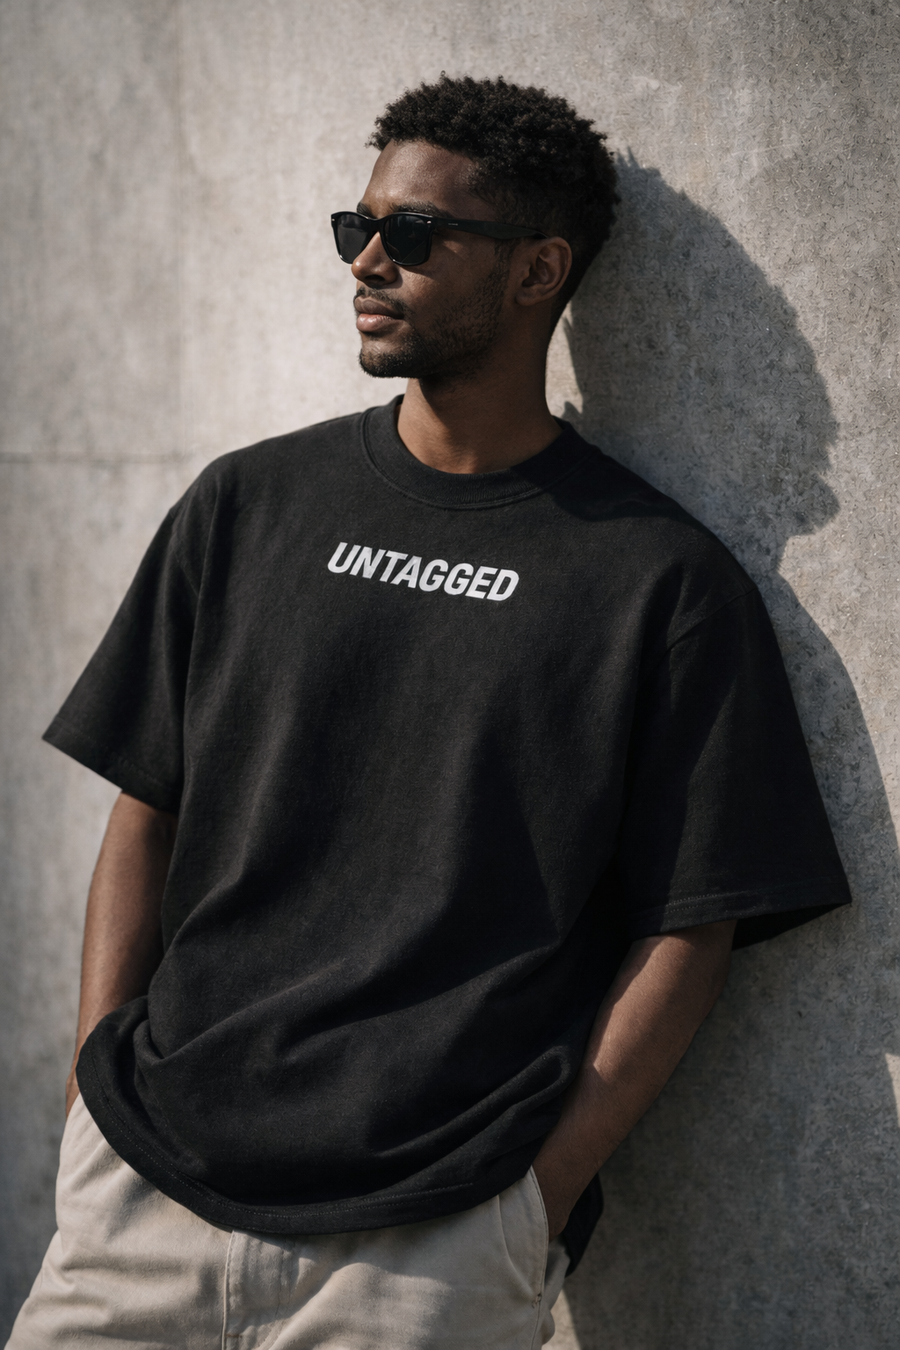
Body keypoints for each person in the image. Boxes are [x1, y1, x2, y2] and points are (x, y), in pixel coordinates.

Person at [7, 75, 851, 1350]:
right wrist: (94, 1084)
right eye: (357, 228)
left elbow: (699, 925)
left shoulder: (658, 586)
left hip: (429, 1252)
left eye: (412, 236)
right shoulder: (247, 507)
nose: (366, 262)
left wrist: (534, 1197)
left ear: (536, 272)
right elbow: (148, 807)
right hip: (144, 1201)